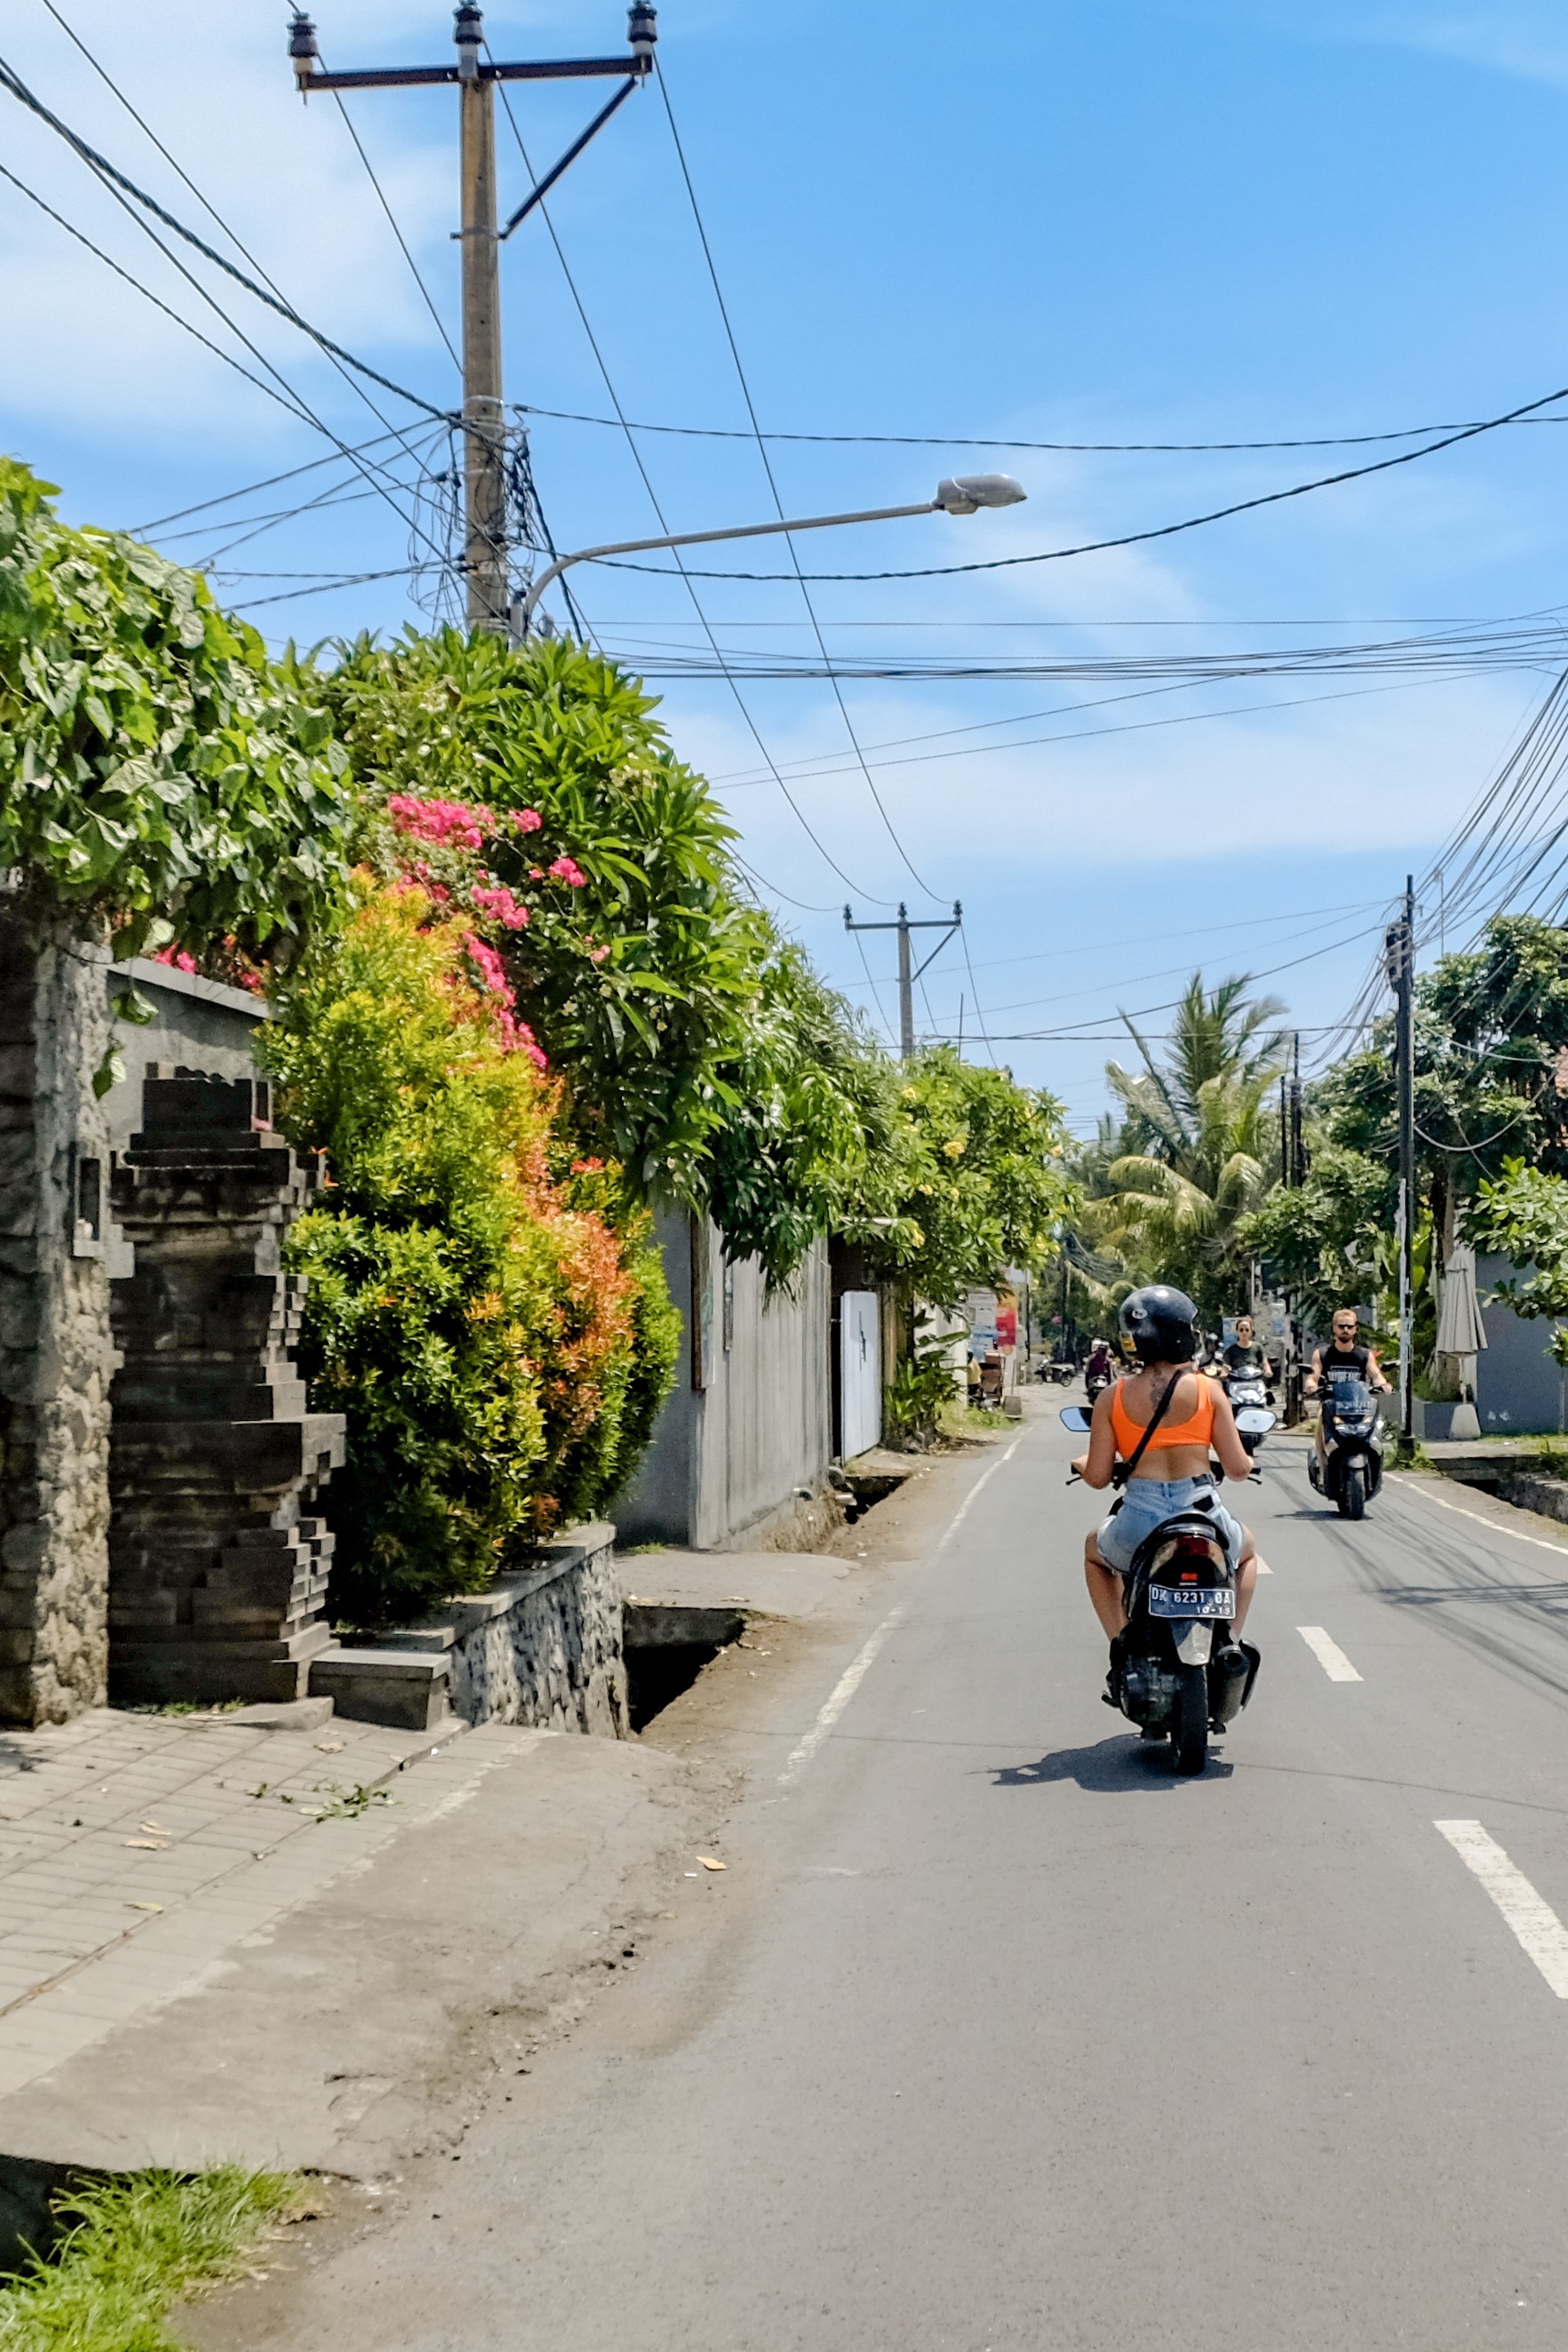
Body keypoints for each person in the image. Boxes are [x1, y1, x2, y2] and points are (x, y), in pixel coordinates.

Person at [1072, 1284, 1265, 1660]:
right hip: (1202, 1513)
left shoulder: (1112, 1397)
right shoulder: (1209, 1391)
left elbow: (1097, 1477)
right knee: (1249, 1553)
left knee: (1093, 1554)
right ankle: (1230, 1641)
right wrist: (1248, 1462)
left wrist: (1082, 1464)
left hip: (1140, 1522)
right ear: (1180, 1333)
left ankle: (1122, 1643)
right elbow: (1238, 1469)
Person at [1305, 1308, 1389, 1476]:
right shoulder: (1322, 1354)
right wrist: (1311, 1384)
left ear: (1355, 1329)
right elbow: (1313, 1376)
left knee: (1375, 1436)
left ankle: (1375, 1470)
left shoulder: (1364, 1355)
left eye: (1349, 1326)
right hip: (1331, 1407)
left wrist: (1383, 1384)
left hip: (1359, 1407)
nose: (1345, 1330)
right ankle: (1324, 1472)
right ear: (1334, 1328)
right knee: (1321, 1437)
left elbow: (1375, 1374)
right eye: (1341, 1326)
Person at [1222, 1314, 1274, 1384]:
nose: (1244, 1332)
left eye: (1247, 1330)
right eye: (1241, 1330)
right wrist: (1224, 1373)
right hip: (1237, 1383)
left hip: (1255, 1382)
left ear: (1251, 1331)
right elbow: (1226, 1365)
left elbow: (1265, 1362)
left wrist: (1268, 1370)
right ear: (1237, 1332)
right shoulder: (1231, 1350)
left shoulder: (1258, 1347)